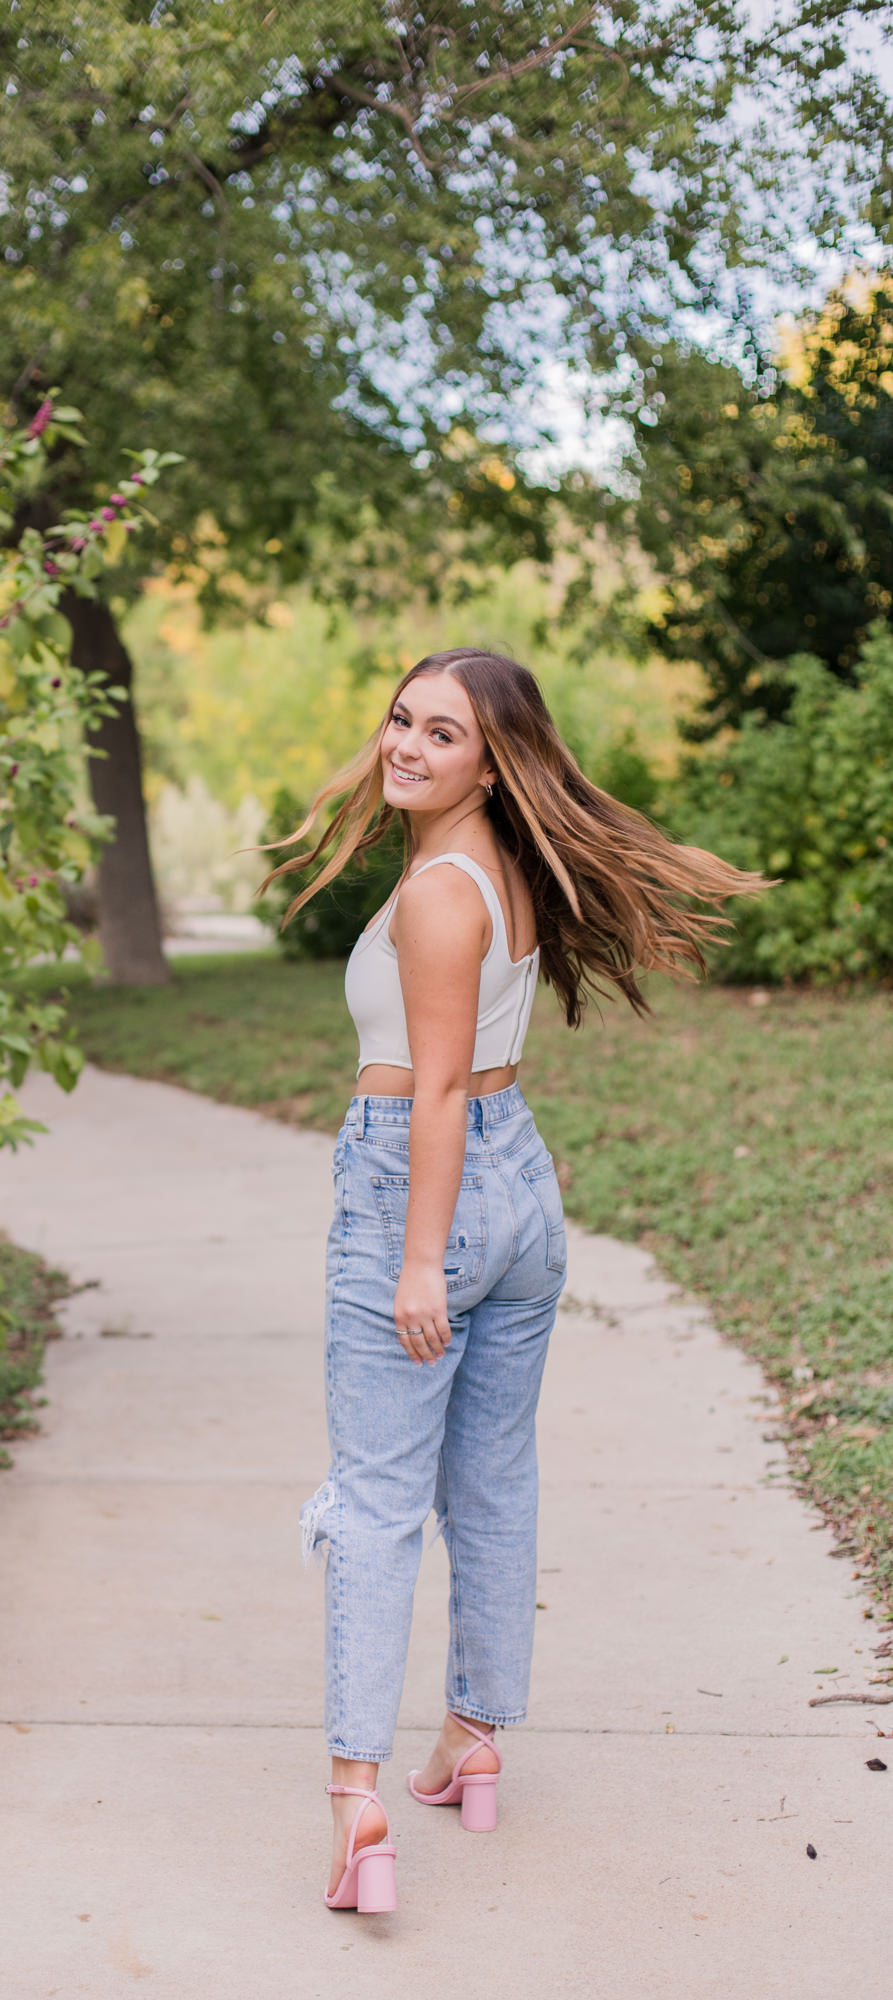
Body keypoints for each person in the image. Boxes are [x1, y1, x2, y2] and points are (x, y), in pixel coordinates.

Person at [262, 648, 766, 1914]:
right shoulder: (505, 867)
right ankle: (471, 1740)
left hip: (418, 1184)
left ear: (494, 760)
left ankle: (357, 1801)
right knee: (488, 1481)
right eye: (399, 718)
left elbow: (431, 1088)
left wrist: (419, 1254)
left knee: (377, 1500)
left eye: (442, 732)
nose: (407, 745)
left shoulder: (439, 888)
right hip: (521, 1181)